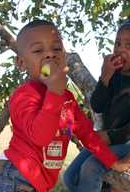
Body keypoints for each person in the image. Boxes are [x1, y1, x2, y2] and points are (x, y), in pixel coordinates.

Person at [0, 19, 130, 192]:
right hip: (9, 178)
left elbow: (88, 135)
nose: (50, 55)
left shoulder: (67, 99)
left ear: (64, 56)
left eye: (56, 49)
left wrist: (114, 162)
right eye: (38, 50)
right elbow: (40, 136)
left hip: (30, 183)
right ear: (21, 63)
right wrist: (54, 92)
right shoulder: (25, 96)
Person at [63, 19, 130, 192]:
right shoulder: (114, 75)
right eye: (117, 43)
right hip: (109, 140)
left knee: (90, 168)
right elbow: (98, 105)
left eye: (128, 46)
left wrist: (110, 137)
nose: (120, 49)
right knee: (70, 177)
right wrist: (105, 77)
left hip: (126, 144)